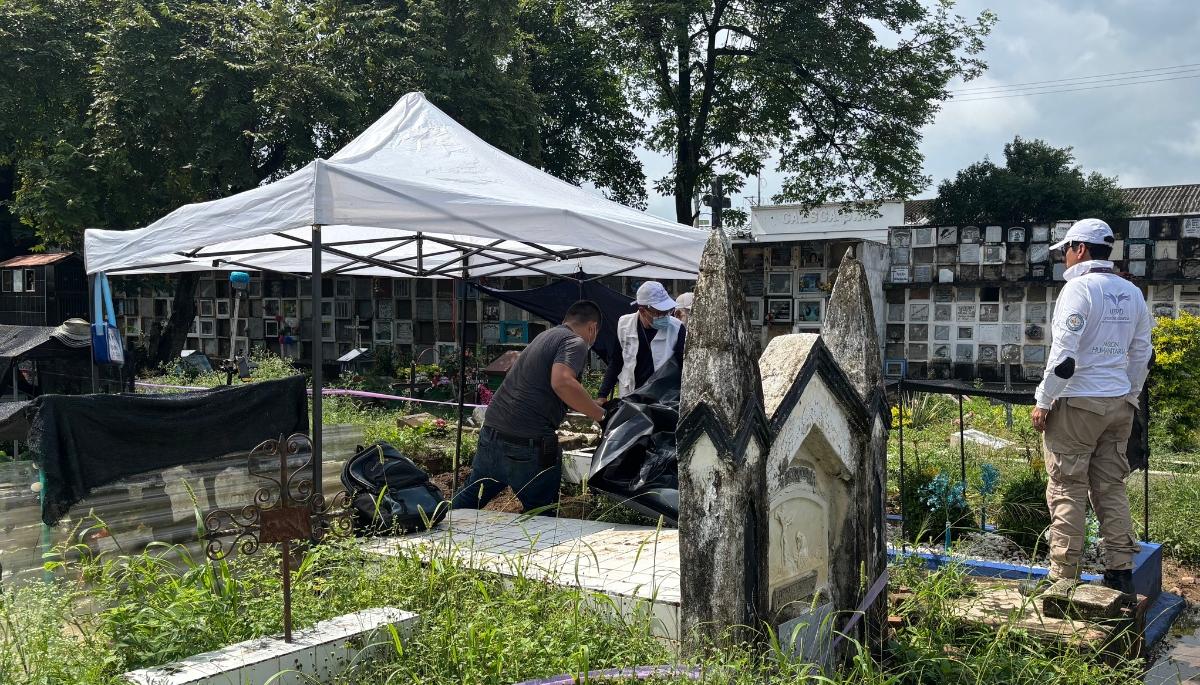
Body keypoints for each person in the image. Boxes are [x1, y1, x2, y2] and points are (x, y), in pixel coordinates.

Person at [1031, 218, 1152, 595]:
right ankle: (1120, 570)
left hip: (1078, 402)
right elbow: (1142, 353)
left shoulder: (1079, 289)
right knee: (1109, 486)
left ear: (1080, 249)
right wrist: (1129, 395)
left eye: (1066, 250)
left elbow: (1064, 356)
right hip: (1118, 403)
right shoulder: (1131, 292)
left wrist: (1043, 400)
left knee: (1067, 486)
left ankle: (1062, 578)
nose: (1064, 258)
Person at [452, 300, 605, 514]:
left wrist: (588, 403)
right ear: (592, 328)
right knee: (542, 513)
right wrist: (600, 415)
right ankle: (541, 547)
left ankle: (432, 530)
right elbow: (562, 382)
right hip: (527, 444)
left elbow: (542, 388)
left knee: (469, 498)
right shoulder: (575, 342)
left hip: (492, 434)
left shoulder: (545, 337)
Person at [597, 281, 686, 401]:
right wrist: (602, 395)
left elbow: (683, 366)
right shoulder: (624, 324)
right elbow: (617, 361)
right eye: (660, 313)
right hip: (631, 393)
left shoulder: (677, 328)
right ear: (643, 311)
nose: (666, 316)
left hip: (663, 396)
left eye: (668, 311)